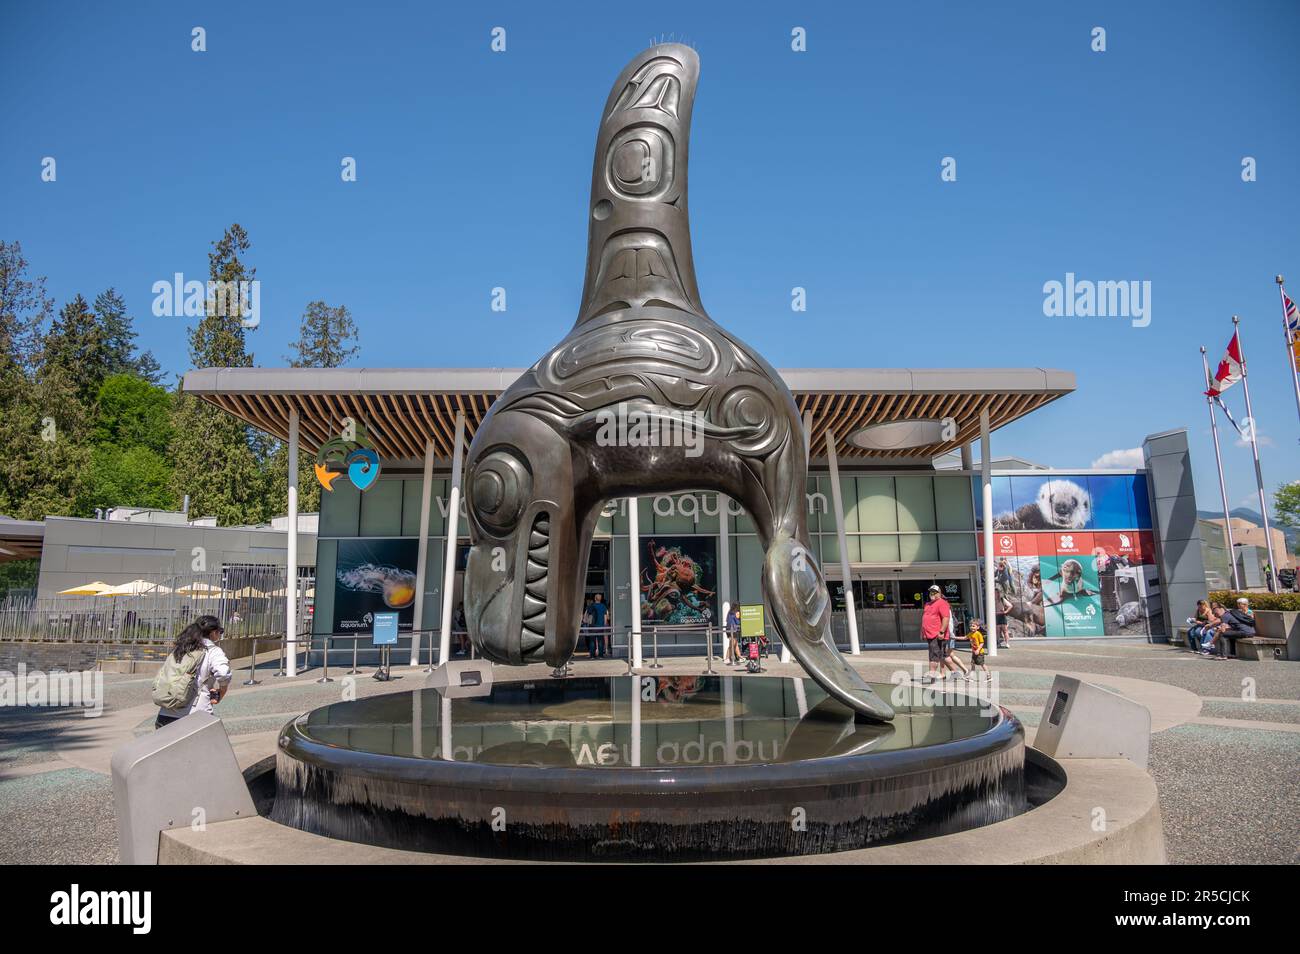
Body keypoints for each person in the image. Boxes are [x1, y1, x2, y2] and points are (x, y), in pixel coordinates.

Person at [153, 615, 231, 729]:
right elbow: (223, 673)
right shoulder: (213, 651)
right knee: (208, 746)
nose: (220, 635)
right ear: (213, 633)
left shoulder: (181, 648)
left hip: (166, 713)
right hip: (196, 714)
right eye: (220, 631)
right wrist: (223, 690)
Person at [921, 584, 951, 684]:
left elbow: (946, 618)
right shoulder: (928, 604)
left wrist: (942, 631)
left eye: (934, 592)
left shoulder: (942, 603)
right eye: (931, 592)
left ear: (940, 593)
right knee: (943, 656)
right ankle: (955, 673)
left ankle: (931, 678)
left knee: (934, 656)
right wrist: (922, 632)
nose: (932, 594)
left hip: (937, 634)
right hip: (929, 635)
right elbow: (925, 618)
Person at [588, 593, 609, 658]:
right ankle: (600, 655)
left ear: (595, 598)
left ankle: (592, 655)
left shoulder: (591, 605)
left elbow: (588, 615)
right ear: (600, 599)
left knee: (592, 641)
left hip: (592, 626)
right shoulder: (603, 606)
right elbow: (605, 616)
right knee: (600, 641)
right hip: (600, 626)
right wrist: (605, 625)